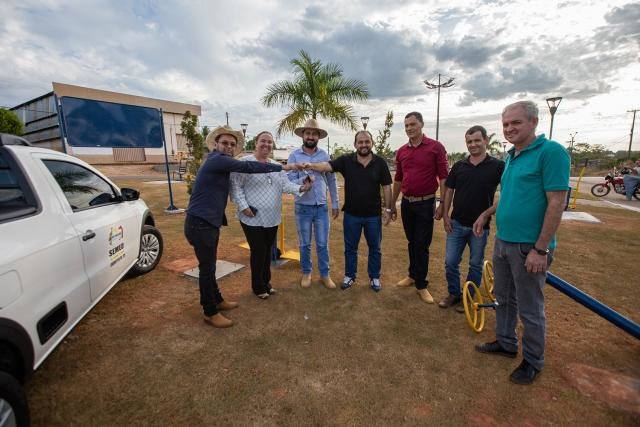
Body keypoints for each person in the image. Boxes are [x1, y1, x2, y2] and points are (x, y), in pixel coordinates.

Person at [474, 101, 570, 385]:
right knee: (503, 298)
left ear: (534, 122)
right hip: (504, 241)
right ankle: (505, 342)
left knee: (530, 306)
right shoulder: (512, 156)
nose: (509, 129)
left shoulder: (551, 152)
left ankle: (532, 360)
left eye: (515, 123)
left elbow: (557, 201)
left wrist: (541, 249)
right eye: (505, 124)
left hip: (530, 246)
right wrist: (487, 213)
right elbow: (510, 196)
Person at [184, 125, 300, 328]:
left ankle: (218, 300)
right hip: (200, 222)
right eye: (224, 143)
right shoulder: (217, 159)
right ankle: (210, 311)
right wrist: (283, 167)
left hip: (208, 222)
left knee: (209, 266)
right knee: (207, 268)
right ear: (216, 144)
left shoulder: (222, 163)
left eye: (232, 144)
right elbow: (249, 168)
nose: (228, 147)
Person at [303, 130, 393, 292]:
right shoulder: (346, 161)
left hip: (373, 215)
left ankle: (374, 277)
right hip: (352, 215)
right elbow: (326, 166)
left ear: (372, 143)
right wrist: (309, 165)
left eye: (367, 142)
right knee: (350, 248)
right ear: (355, 144)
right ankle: (350, 275)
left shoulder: (380, 163)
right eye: (360, 142)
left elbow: (386, 186)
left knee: (375, 248)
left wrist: (388, 208)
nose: (364, 145)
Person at [230, 131, 312, 299]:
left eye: (269, 142)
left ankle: (267, 283)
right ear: (256, 143)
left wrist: (302, 188)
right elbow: (235, 186)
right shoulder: (244, 163)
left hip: (272, 217)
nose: (266, 144)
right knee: (258, 251)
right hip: (252, 217)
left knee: (268, 251)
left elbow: (286, 185)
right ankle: (258, 287)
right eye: (263, 141)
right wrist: (244, 207)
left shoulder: (276, 166)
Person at [439, 125, 505, 310]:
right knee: (450, 262)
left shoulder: (498, 166)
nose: (473, 144)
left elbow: (507, 194)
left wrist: (487, 214)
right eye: (469, 141)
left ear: (485, 140)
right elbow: (449, 191)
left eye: (477, 140)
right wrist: (446, 216)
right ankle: (453, 293)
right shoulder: (460, 166)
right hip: (456, 224)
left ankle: (469, 297)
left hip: (479, 228)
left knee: (475, 264)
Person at [391, 111, 449, 304]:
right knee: (411, 242)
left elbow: (444, 177)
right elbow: (398, 179)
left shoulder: (435, 147)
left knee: (422, 244)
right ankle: (413, 275)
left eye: (413, 124)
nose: (409, 128)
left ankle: (422, 285)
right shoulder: (401, 151)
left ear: (422, 124)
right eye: (406, 125)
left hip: (426, 203)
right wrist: (392, 205)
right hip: (407, 203)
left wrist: (442, 204)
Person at [287, 119, 339, 289]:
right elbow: (289, 180)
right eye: (307, 133)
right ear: (303, 135)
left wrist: (335, 203)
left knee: (323, 243)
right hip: (302, 207)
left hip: (322, 207)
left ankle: (325, 275)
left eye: (314, 133)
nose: (310, 136)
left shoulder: (324, 155)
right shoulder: (294, 156)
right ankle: (307, 272)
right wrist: (305, 179)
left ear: (318, 137)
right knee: (305, 243)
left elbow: (331, 179)